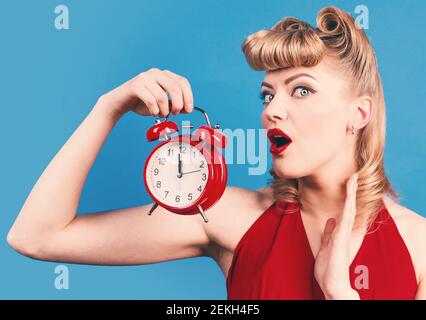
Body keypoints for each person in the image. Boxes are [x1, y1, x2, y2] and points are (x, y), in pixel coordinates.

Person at [7, 6, 425, 300]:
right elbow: (36, 236)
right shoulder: (227, 217)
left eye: (301, 90)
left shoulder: (419, 245)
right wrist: (108, 107)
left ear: (359, 113)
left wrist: (340, 295)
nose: (273, 111)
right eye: (267, 95)